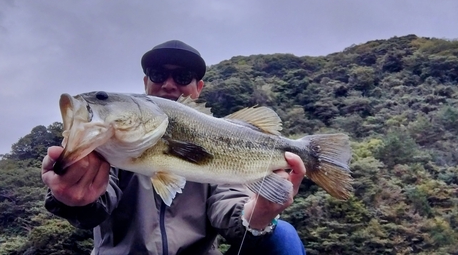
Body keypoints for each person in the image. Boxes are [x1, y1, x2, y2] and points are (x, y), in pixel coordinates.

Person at [42, 40, 307, 255]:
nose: (169, 84)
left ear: (198, 88)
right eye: (158, 74)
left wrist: (257, 213)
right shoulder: (106, 146)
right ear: (145, 84)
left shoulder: (214, 133)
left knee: (282, 235)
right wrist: (72, 197)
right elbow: (96, 205)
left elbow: (229, 207)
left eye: (182, 76)